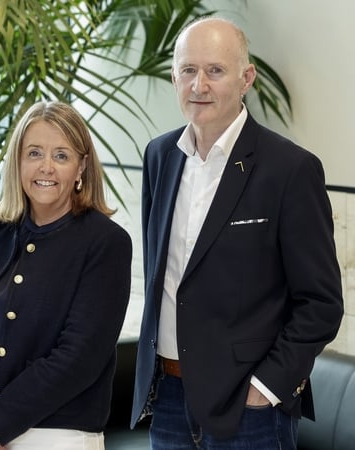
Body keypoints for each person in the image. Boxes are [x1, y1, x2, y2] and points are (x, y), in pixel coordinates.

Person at [130, 17, 344, 449]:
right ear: (174, 77)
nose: (199, 85)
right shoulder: (159, 156)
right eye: (188, 70)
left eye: (215, 70)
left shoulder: (290, 169)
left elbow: (321, 304)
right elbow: (162, 277)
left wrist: (266, 387)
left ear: (246, 78)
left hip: (249, 410)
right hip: (167, 399)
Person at [0, 100, 133, 450]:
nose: (46, 167)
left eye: (61, 155)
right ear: (18, 161)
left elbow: (79, 357)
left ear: (81, 166)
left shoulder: (106, 243)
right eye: (34, 153)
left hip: (59, 436)